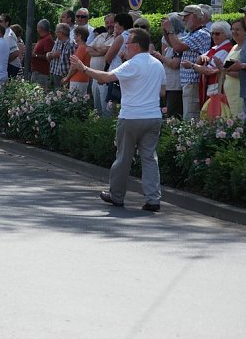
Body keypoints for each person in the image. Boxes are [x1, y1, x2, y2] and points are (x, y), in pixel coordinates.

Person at [70, 28, 166, 212]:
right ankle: (153, 199)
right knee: (149, 158)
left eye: (128, 43)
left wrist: (84, 68)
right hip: (153, 117)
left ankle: (117, 195)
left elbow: (106, 77)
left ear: (136, 46)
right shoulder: (157, 64)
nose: (125, 46)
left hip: (131, 117)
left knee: (123, 158)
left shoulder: (132, 64)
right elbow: (162, 91)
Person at [162, 5, 211, 121]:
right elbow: (173, 45)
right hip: (188, 82)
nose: (183, 20)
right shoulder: (192, 33)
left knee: (190, 118)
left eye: (186, 17)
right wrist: (165, 30)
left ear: (194, 16)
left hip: (193, 82)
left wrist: (170, 30)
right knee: (187, 117)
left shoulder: (202, 34)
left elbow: (178, 47)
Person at [186, 20, 232, 107]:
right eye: (212, 33)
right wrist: (201, 61)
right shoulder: (215, 48)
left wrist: (192, 65)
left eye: (217, 34)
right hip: (210, 87)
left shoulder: (225, 49)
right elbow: (198, 59)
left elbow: (208, 70)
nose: (214, 36)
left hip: (216, 88)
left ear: (226, 34)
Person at [152, 13, 184, 119]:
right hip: (169, 84)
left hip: (176, 85)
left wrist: (160, 57)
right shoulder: (169, 43)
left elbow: (175, 64)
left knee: (173, 115)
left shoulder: (179, 40)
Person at [87, 14, 115, 115]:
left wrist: (98, 49)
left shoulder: (116, 37)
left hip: (105, 78)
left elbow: (106, 50)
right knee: (97, 108)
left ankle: (106, 129)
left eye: (111, 22)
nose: (109, 25)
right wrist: (100, 52)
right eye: (107, 23)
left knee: (106, 110)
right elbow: (88, 49)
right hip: (95, 78)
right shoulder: (100, 36)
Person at [62, 25, 90, 94]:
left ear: (79, 36)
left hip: (78, 80)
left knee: (74, 102)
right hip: (82, 79)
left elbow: (74, 67)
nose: (74, 36)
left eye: (75, 35)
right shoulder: (85, 47)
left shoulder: (81, 48)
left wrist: (67, 78)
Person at [46, 22, 73, 90]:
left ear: (61, 33)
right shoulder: (59, 42)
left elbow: (73, 63)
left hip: (65, 77)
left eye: (57, 31)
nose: (55, 33)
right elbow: (52, 54)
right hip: (55, 73)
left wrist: (68, 77)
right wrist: (51, 54)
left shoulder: (71, 45)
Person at [30, 19, 54, 88]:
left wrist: (36, 55)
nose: (37, 29)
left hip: (41, 73)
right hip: (37, 72)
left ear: (41, 28)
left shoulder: (48, 39)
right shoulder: (42, 39)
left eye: (37, 27)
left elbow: (48, 56)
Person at [0, 13, 21, 78]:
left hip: (11, 66)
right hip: (9, 65)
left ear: (7, 23)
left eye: (0, 21)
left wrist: (4, 62)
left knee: (5, 86)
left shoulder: (9, 35)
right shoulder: (5, 33)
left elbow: (16, 52)